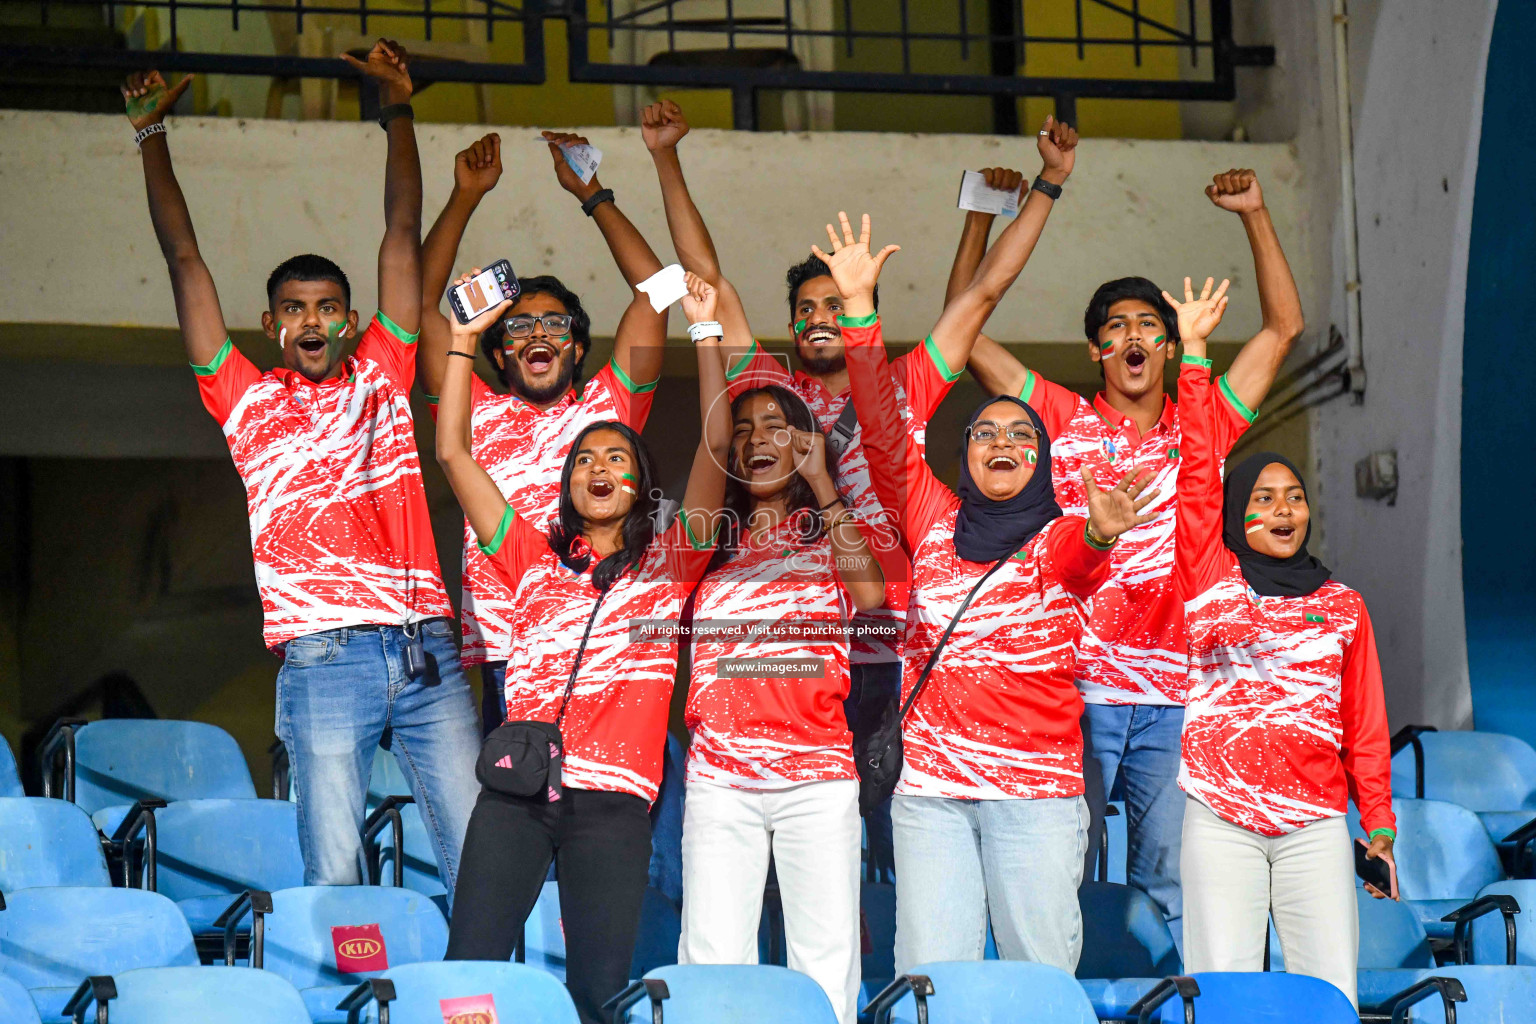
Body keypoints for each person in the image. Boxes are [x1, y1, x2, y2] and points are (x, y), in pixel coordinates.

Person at [643, 101, 1078, 870]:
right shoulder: (768, 389)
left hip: (894, 630)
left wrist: (1048, 184)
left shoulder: (905, 382)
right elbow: (705, 279)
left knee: (887, 840)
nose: (818, 317)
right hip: (794, 633)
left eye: (831, 305)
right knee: (797, 840)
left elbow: (980, 300)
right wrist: (666, 158)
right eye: (804, 308)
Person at [121, 48, 481, 893]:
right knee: (336, 868)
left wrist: (398, 111)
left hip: (429, 650)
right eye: (294, 310)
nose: (312, 320)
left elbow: (400, 234)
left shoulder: (386, 369)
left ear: (353, 320)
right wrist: (151, 135)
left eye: (327, 308)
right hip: (325, 661)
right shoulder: (241, 395)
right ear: (270, 323)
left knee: (480, 855)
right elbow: (184, 262)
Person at [960, 168, 1305, 943]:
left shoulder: (1206, 418)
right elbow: (964, 333)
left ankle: (1170, 1000)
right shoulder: (1056, 414)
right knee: (1055, 872)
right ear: (1095, 348)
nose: (1134, 337)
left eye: (1150, 324)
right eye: (1115, 327)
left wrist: (1253, 213)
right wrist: (982, 219)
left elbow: (1283, 328)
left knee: (1172, 885)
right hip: (1073, 689)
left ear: (1171, 342)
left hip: (1178, 694)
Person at [823, 209, 1157, 973]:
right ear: (963, 456)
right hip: (931, 795)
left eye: (1021, 437)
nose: (1002, 444)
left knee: (1037, 984)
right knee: (930, 984)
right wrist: (860, 315)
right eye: (984, 434)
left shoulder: (1061, 537)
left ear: (1042, 461)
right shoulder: (933, 518)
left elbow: (1086, 555)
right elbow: (883, 432)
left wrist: (1104, 532)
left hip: (1033, 799)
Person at [437, 269, 729, 1024]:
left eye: (617, 460)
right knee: (469, 979)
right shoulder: (527, 555)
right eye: (585, 461)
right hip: (515, 798)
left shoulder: (671, 565)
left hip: (613, 809)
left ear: (640, 485)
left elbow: (718, 444)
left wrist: (704, 334)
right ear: (566, 485)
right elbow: (453, 456)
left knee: (598, 993)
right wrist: (465, 343)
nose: (599, 469)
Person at [1168, 276, 1396, 1008]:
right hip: (1221, 815)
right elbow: (1197, 473)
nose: (1283, 510)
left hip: (1316, 824)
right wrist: (1195, 356)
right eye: (1263, 499)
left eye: (1294, 497)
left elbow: (1364, 725)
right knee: (1223, 994)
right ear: (1238, 515)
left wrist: (1381, 824)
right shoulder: (1209, 576)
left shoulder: (1343, 605)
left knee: (1328, 997)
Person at [418, 130, 668, 733]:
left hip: (611, 644)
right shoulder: (470, 407)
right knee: (527, 825)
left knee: (628, 821)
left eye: (553, 323)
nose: (536, 334)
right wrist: (463, 198)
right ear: (498, 352)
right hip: (511, 656)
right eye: (518, 325)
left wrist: (593, 195)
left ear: (577, 346)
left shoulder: (611, 404)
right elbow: (415, 306)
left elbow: (659, 293)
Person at [679, 383, 885, 1024]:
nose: (756, 438)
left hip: (816, 781)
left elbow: (873, 595)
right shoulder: (706, 541)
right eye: (743, 428)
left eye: (775, 424)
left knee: (825, 965)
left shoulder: (833, 535)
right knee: (713, 963)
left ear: (805, 442)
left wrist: (825, 485)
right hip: (720, 779)